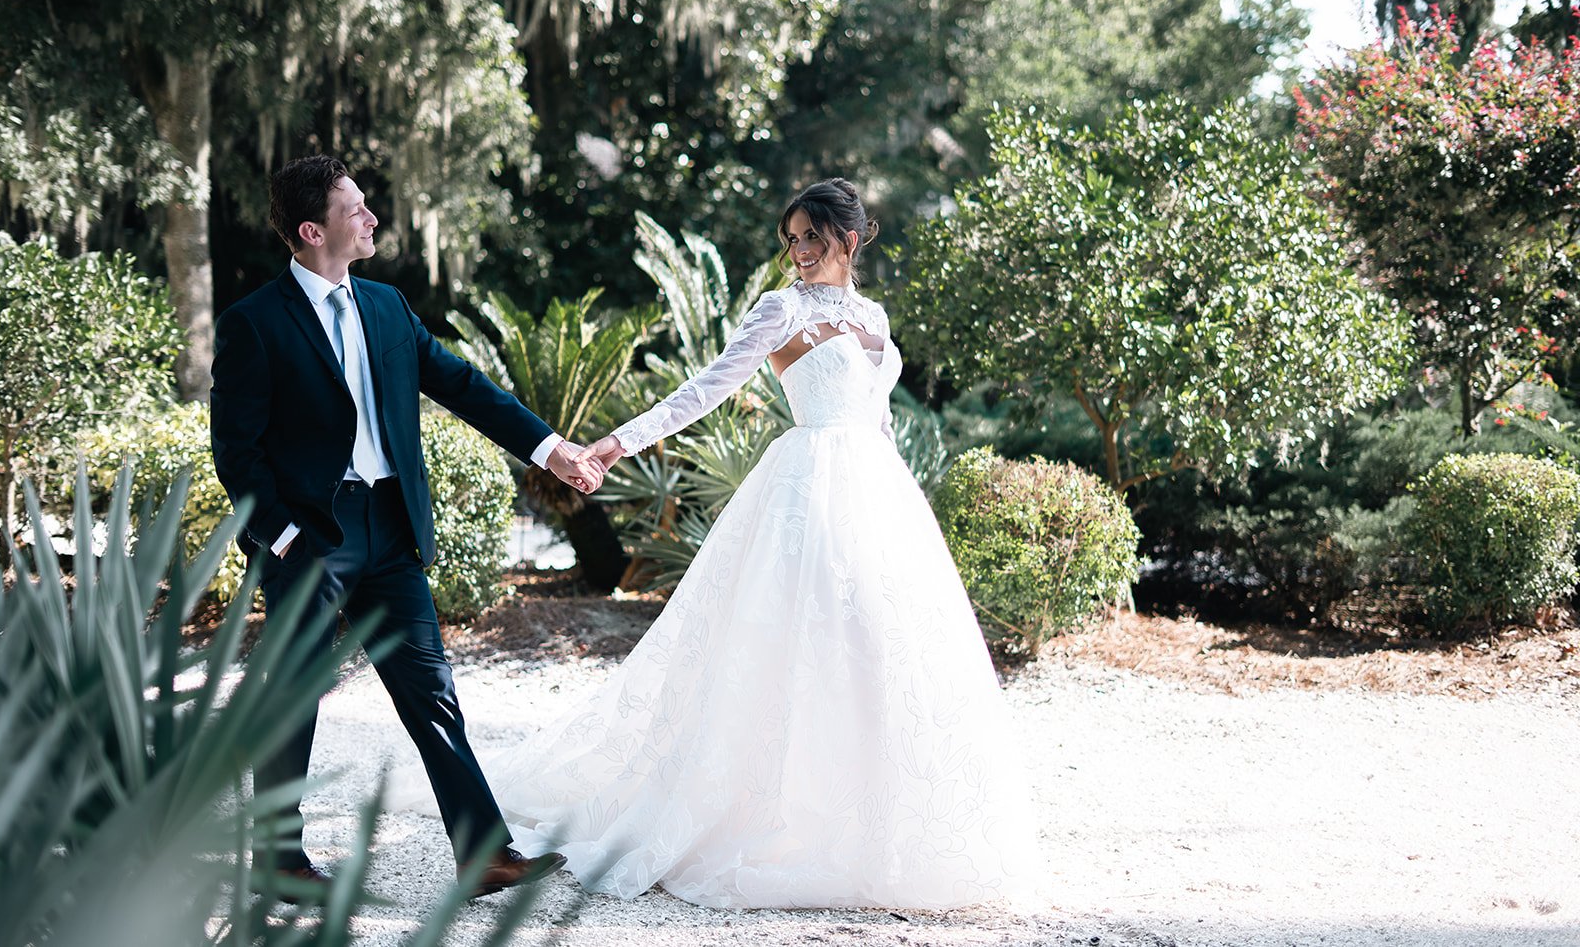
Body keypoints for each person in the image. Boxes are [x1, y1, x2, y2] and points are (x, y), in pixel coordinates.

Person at [460, 178, 1040, 908]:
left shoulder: (874, 316)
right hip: (805, 493)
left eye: (811, 237)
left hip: (877, 493)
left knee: (880, 650)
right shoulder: (781, 309)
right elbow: (705, 389)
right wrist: (616, 442)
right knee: (793, 648)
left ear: (849, 238)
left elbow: (879, 417)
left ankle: (878, 826)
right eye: (791, 238)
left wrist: (903, 506)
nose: (798, 251)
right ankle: (775, 816)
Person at [209, 155, 601, 900]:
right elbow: (236, 450)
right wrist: (285, 538)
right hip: (311, 536)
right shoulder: (253, 322)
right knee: (293, 696)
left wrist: (552, 450)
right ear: (311, 230)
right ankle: (280, 860)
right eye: (355, 209)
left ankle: (484, 853)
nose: (372, 218)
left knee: (432, 691)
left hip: (391, 530)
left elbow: (463, 386)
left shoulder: (387, 306)